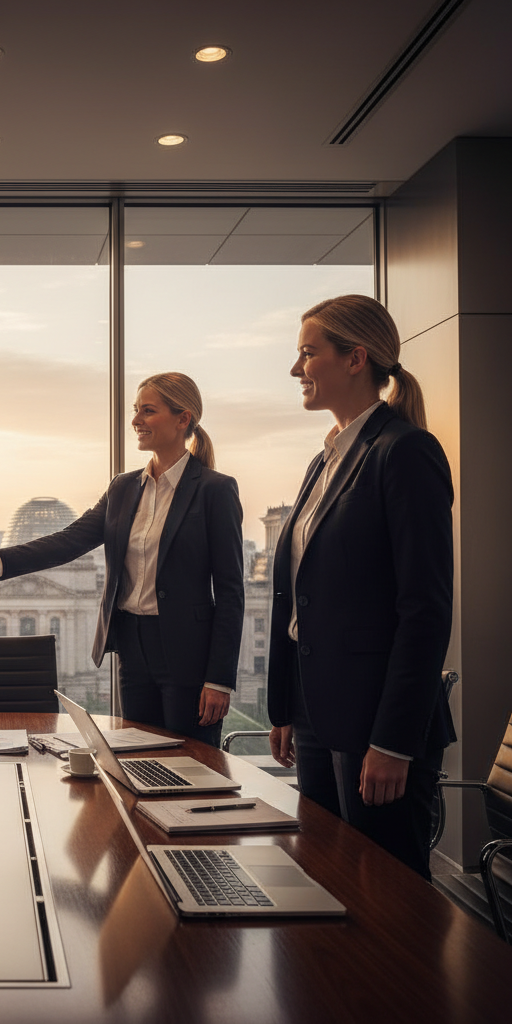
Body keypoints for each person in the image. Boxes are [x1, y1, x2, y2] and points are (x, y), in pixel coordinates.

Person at [267, 294, 455, 879]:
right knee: (326, 880)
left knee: (387, 897)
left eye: (307, 353)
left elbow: (424, 608)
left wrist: (395, 741)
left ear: (356, 359)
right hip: (317, 713)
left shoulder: (404, 452)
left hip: (377, 720)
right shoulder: (324, 461)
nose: (297, 369)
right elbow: (300, 595)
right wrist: (284, 707)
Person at [0, 373, 243, 745]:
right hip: (132, 646)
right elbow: (70, 540)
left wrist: (219, 679)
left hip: (188, 653)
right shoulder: (124, 487)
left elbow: (230, 591)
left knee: (192, 764)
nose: (136, 421)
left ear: (183, 419)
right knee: (137, 756)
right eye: (135, 411)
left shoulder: (215, 490)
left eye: (148, 411)